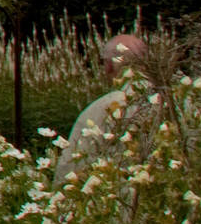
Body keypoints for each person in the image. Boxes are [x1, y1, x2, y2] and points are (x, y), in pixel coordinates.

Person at [52, 32, 148, 185]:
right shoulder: (178, 100)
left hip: (119, 194)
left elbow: (70, 169)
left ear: (109, 66)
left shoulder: (101, 108)